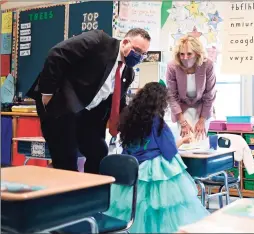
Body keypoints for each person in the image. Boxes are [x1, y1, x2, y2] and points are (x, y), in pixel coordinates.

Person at [26, 29, 151, 174]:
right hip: (60, 104)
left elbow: (118, 103)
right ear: (125, 42)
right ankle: (67, 194)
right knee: (66, 158)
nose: (139, 56)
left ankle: (91, 190)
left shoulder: (128, 73)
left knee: (99, 151)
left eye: (143, 54)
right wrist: (47, 92)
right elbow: (57, 54)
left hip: (86, 115)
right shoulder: (99, 41)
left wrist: (135, 121)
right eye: (137, 50)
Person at [106, 82, 209, 233]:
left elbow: (127, 147)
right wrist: (183, 140)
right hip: (154, 169)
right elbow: (169, 151)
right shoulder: (157, 122)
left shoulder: (129, 118)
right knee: (161, 208)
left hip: (133, 168)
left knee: (135, 206)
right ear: (160, 101)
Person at [166, 35, 216, 142]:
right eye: (182, 54)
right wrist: (182, 121)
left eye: (189, 54)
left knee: (200, 140)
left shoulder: (207, 65)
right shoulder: (172, 66)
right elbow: (172, 96)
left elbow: (209, 95)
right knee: (186, 141)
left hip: (202, 107)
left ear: (197, 53)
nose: (185, 57)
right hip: (182, 107)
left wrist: (202, 120)